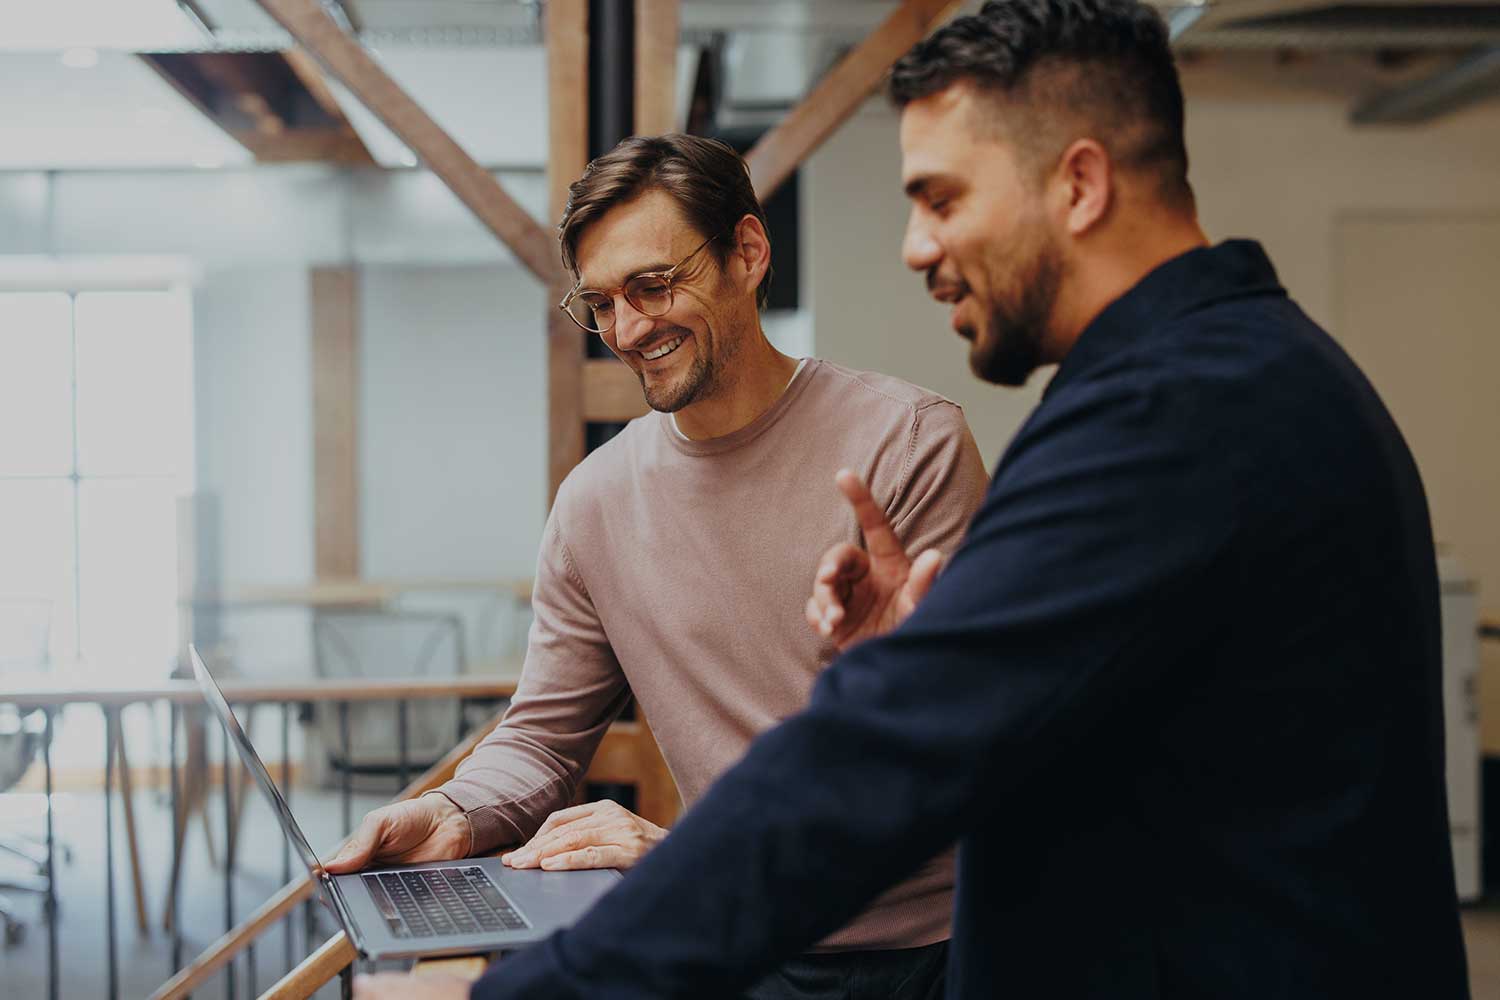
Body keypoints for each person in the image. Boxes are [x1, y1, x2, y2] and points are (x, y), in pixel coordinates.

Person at [354, 0, 1471, 997]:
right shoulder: (1237, 371)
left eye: (940, 198)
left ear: (1077, 183)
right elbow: (1058, 726)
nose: (914, 246)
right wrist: (915, 659)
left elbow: (884, 762)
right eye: (604, 303)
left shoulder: (1170, 418)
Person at [333, 133, 989, 999]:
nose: (630, 329)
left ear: (748, 254)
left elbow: (954, 756)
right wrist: (453, 813)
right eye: (601, 303)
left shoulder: (908, 443)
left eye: (654, 284)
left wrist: (686, 858)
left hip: (927, 950)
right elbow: (541, 735)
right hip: (734, 933)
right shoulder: (596, 500)